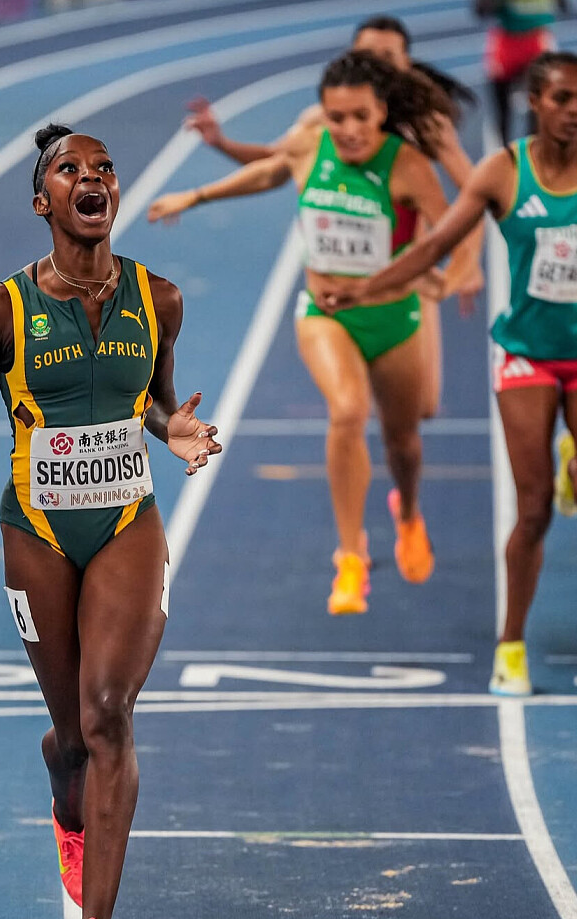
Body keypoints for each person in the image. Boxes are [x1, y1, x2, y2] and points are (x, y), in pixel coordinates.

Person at [0, 124, 222, 919]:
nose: (91, 178)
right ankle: (67, 805)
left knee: (109, 715)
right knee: (71, 743)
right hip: (38, 531)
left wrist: (175, 430)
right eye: (70, 169)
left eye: (103, 169)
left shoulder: (159, 298)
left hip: (128, 519)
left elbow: (154, 402)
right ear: (43, 200)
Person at [324, 52, 577, 694]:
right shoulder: (504, 172)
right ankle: (511, 646)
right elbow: (434, 245)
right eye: (562, 99)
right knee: (532, 511)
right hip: (526, 355)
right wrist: (364, 289)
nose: (574, 112)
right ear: (536, 101)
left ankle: (575, 464)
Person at [149, 52, 481, 615]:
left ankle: (407, 513)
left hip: (393, 316)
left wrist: (461, 271)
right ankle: (350, 557)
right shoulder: (310, 144)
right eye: (336, 117)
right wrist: (197, 195)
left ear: (381, 112)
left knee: (402, 440)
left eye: (360, 117)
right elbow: (269, 171)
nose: (348, 129)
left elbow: (457, 223)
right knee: (347, 411)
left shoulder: (406, 165)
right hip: (325, 312)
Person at [183, 14, 485, 420]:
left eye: (387, 56)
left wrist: (468, 262)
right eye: (367, 54)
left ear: (406, 62)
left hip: (406, 269)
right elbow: (276, 162)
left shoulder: (425, 122)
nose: (376, 62)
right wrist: (221, 142)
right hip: (342, 268)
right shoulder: (324, 117)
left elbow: (474, 192)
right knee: (352, 404)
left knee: (423, 408)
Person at [473, 0, 568, 144]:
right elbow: (481, 12)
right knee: (501, 108)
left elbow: (564, 7)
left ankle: (535, 147)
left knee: (542, 98)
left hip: (537, 39)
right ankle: (502, 148)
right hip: (507, 40)